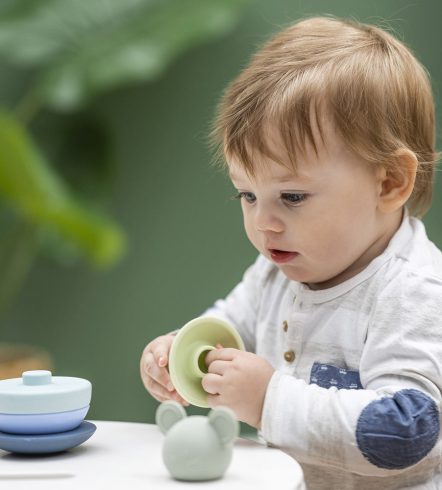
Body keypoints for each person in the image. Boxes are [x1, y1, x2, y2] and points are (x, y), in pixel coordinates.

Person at [140, 16, 442, 489]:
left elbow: (408, 430)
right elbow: (228, 330)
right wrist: (179, 353)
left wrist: (267, 401)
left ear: (389, 183)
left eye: (292, 196)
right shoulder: (276, 269)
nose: (263, 222)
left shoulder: (412, 291)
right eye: (247, 195)